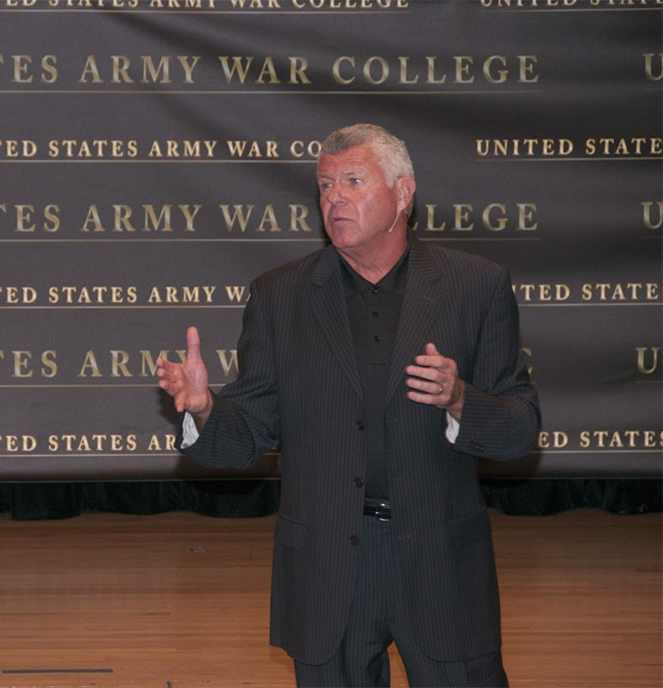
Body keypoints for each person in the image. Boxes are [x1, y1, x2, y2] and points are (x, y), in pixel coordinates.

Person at [156, 123, 540, 687]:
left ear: (403, 194)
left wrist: (460, 399)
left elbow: (520, 429)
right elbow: (250, 434)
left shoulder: (475, 287)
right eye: (325, 185)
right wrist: (205, 409)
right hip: (327, 564)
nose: (333, 198)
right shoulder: (279, 296)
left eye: (353, 182)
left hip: (440, 562)